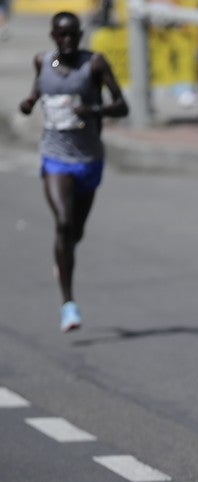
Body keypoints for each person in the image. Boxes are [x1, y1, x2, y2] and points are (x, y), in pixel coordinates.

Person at [18, 12, 129, 332]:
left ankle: (63, 255)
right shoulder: (43, 62)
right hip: (55, 157)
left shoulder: (94, 64)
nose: (67, 42)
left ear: (80, 35)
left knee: (75, 232)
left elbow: (122, 105)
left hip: (89, 159)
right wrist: (29, 102)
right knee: (63, 224)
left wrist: (93, 109)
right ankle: (68, 305)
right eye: (61, 36)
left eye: (73, 36)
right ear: (52, 36)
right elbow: (39, 90)